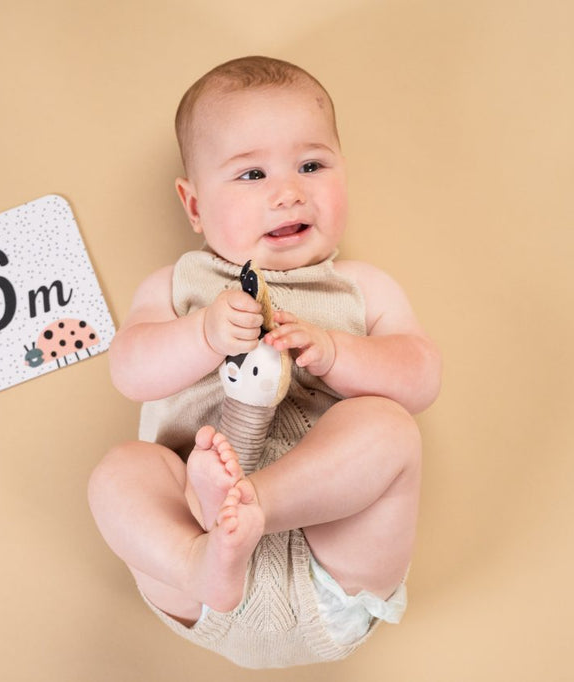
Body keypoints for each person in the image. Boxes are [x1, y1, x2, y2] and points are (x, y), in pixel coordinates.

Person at [87, 56, 441, 668]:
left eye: (312, 165)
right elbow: (130, 369)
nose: (288, 192)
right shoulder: (177, 288)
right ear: (194, 206)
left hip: (333, 567)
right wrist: (201, 332)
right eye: (251, 174)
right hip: (199, 571)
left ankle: (256, 501)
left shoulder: (359, 288)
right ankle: (200, 554)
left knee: (390, 430)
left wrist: (337, 352)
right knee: (119, 474)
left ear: (343, 175)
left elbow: (421, 376)